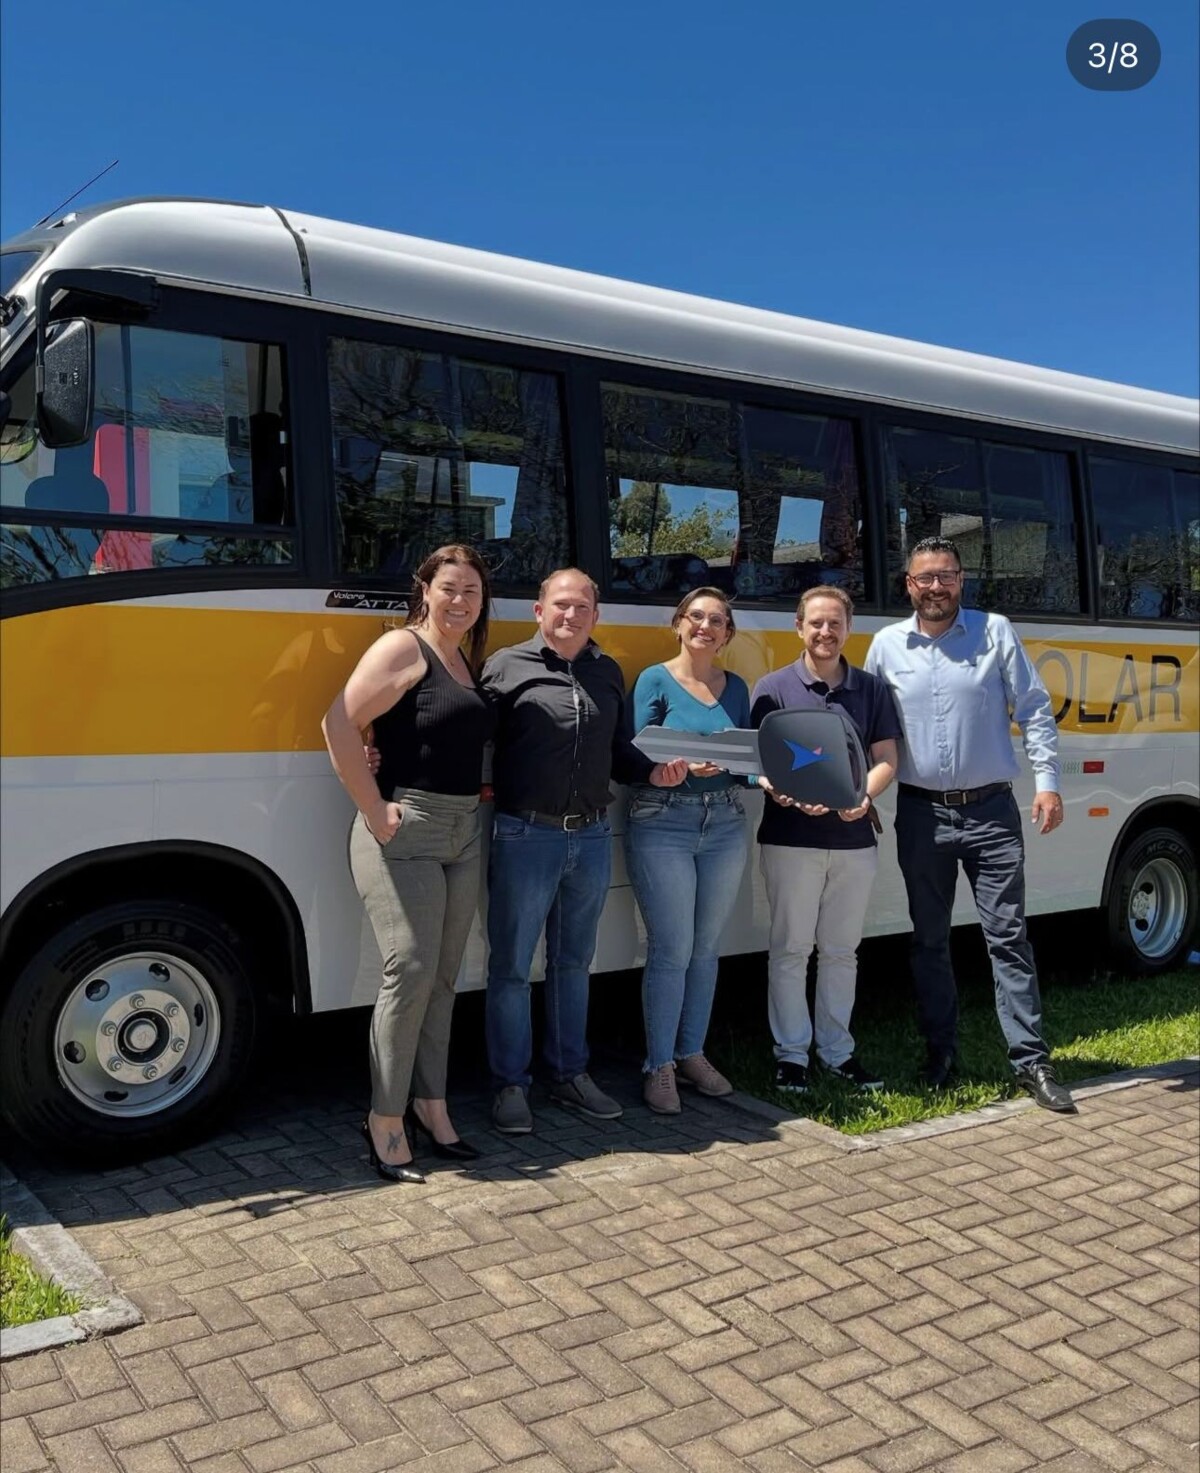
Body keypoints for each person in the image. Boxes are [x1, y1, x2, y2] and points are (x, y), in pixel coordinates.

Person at [863, 536, 1075, 1113]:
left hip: (991, 812)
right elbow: (866, 728)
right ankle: (940, 1055)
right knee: (928, 941)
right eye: (925, 578)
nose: (936, 587)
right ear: (909, 584)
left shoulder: (995, 631)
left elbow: (1034, 708)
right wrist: (854, 791)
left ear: (962, 579)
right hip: (921, 814)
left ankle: (1032, 1062)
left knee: (1008, 938)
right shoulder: (885, 646)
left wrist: (1048, 782)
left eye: (947, 576)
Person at [482, 568, 688, 1134]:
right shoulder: (505, 667)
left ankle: (569, 1074)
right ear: (539, 611)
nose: (570, 615)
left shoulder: (605, 671)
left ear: (596, 616)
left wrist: (653, 772)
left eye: (582, 607)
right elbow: (469, 737)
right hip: (526, 835)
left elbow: (618, 751)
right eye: (560, 605)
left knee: (574, 963)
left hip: (591, 837)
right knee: (511, 967)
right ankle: (509, 1086)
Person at [322, 544, 495, 1182]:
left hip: (462, 831)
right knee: (412, 970)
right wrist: (373, 808)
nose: (460, 600)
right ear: (424, 589)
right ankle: (385, 1119)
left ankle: (431, 1105)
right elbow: (337, 723)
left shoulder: (463, 660)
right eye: (449, 588)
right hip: (407, 828)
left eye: (471, 591)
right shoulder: (403, 647)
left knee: (445, 977)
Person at [750, 586, 901, 1094]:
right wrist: (779, 790)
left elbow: (887, 759)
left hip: (854, 839)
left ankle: (838, 1052)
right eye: (816, 622)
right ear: (799, 627)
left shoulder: (871, 690)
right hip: (790, 837)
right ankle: (791, 1056)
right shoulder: (772, 688)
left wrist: (862, 795)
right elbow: (760, 763)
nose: (825, 632)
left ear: (848, 629)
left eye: (835, 623)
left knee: (841, 950)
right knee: (790, 949)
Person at [625, 588, 750, 1115]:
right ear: (678, 624)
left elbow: (745, 758)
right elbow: (635, 751)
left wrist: (747, 770)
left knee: (705, 948)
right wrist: (671, 766)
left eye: (716, 620)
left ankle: (691, 1053)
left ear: (727, 634)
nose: (705, 626)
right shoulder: (654, 680)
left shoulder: (736, 687)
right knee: (671, 949)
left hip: (725, 822)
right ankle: (659, 1065)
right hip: (664, 820)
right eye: (696, 617)